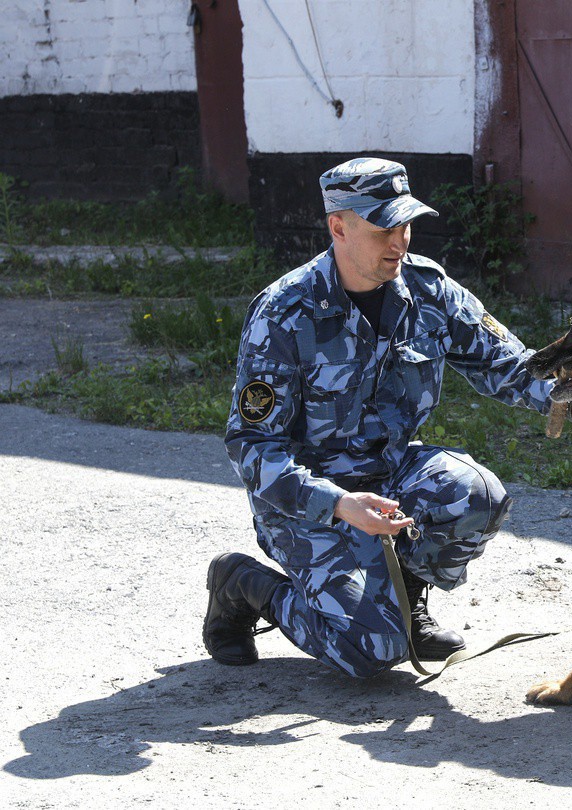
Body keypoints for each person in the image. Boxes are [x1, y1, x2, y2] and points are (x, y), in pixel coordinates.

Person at [203, 157, 554, 678]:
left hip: (388, 476)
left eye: (406, 224)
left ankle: (406, 599)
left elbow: (510, 366)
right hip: (306, 502)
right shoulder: (284, 313)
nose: (400, 242)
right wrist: (340, 504)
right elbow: (252, 447)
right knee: (370, 652)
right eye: (383, 228)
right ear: (338, 227)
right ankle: (249, 586)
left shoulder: (430, 291)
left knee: (474, 494)